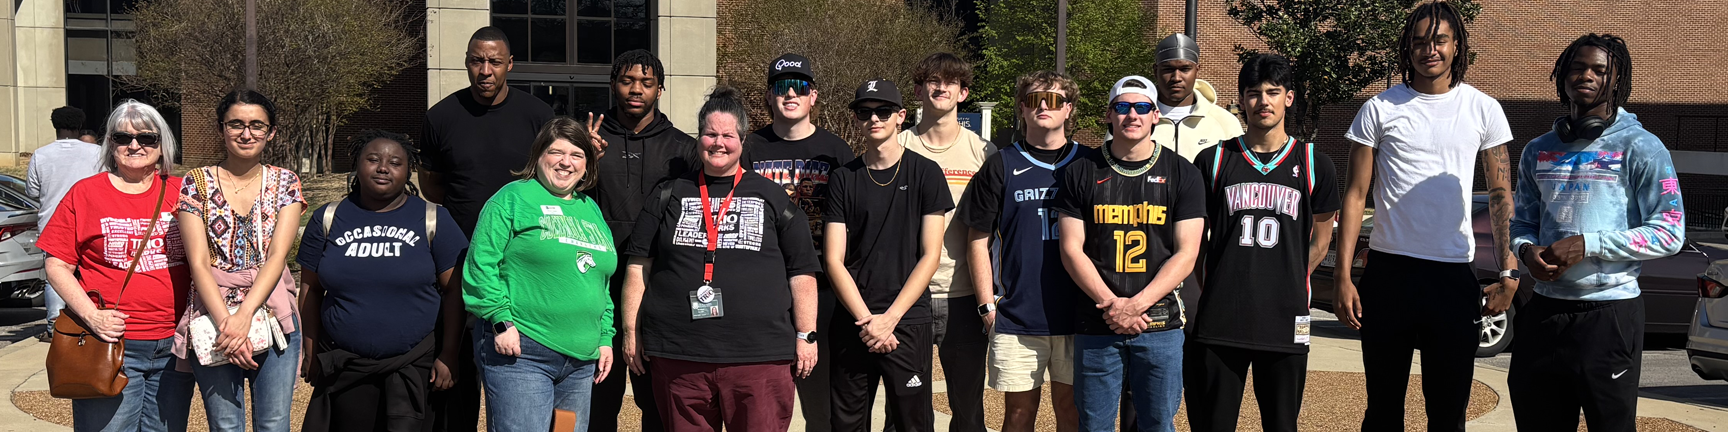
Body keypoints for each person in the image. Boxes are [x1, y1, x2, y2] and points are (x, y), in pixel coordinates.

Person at [1334, 2, 1519, 430]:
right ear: (1407, 48)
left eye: (1439, 40)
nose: (1428, 49)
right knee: (1382, 410)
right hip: (1388, 273)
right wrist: (1343, 278)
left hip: (1452, 277)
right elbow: (1356, 195)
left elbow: (1500, 194)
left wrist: (1510, 273)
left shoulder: (1482, 109)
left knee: (1448, 412)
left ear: (1457, 46)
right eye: (1419, 41)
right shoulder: (1379, 109)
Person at [1509, 34, 1686, 432]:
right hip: (1543, 314)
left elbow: (1670, 232)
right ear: (1562, 76)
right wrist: (1525, 251)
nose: (1585, 75)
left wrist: (1589, 244)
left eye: (1599, 70)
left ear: (1617, 80)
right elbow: (1520, 222)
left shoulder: (1642, 147)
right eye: (1577, 67)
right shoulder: (1538, 149)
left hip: (1609, 316)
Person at [619, 85, 822, 432]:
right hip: (680, 355)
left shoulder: (771, 196)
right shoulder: (670, 193)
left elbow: (802, 272)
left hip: (759, 359)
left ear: (742, 140)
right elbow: (639, 265)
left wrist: (807, 336)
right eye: (710, 134)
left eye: (727, 135)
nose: (718, 143)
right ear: (698, 138)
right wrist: (631, 331)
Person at [1185, 54, 1339, 432]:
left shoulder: (1314, 162)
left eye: (1273, 92)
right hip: (1222, 316)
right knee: (1213, 425)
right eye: (1254, 93)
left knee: (1282, 425)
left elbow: (1322, 237)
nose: (1263, 102)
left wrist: (1289, 278)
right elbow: (1193, 240)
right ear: (1241, 100)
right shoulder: (1214, 159)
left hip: (1287, 317)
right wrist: (1215, 281)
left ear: (1289, 97)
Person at [419, 27, 556, 432]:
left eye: (494, 61)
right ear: (466, 62)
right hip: (459, 256)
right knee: (456, 366)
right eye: (477, 60)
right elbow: (433, 186)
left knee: (517, 365)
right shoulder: (440, 117)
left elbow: (552, 177)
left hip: (524, 258)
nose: (485, 70)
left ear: (509, 64)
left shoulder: (537, 115)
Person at [1053, 76, 1204, 432]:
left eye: (1141, 107)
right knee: (1094, 425)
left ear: (1156, 116)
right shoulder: (1080, 171)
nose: (1131, 115)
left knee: (1158, 424)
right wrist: (1112, 305)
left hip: (1161, 323)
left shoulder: (1183, 173)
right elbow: (1071, 248)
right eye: (1122, 107)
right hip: (1097, 321)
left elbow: (1186, 253)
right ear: (1109, 115)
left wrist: (1136, 306)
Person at [297, 130, 470, 431]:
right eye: (373, 159)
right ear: (357, 165)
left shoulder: (433, 219)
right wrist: (310, 349)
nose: (383, 167)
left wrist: (449, 353)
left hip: (414, 367)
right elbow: (310, 290)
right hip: (346, 367)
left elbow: (455, 291)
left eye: (395, 162)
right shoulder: (327, 218)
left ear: (408, 171)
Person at [39, 100, 193, 432]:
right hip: (108, 343)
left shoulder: (184, 193)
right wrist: (90, 315)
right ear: (111, 144)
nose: (135, 145)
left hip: (175, 347)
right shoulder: (86, 193)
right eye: (123, 138)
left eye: (147, 138)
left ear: (161, 143)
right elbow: (56, 264)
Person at [464, 117, 616, 432]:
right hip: (522, 353)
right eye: (556, 152)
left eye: (577, 155)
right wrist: (500, 320)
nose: (566, 162)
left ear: (587, 166)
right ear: (538, 156)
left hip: (580, 361)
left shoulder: (591, 209)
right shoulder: (513, 198)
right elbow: (480, 265)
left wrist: (605, 338)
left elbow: (601, 283)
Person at [956, 70, 1085, 432]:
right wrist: (986, 305)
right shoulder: (1001, 164)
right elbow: (977, 240)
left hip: (1078, 312)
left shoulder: (1088, 163)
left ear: (1069, 110)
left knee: (1072, 411)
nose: (1043, 105)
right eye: (1033, 99)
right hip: (1017, 314)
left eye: (1055, 100)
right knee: (1017, 414)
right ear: (1021, 110)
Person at [174, 89, 307, 432]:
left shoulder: (285, 183)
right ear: (221, 129)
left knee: (274, 424)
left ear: (271, 132)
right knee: (225, 424)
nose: (246, 133)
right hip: (212, 316)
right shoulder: (196, 183)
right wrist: (227, 324)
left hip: (272, 314)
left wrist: (243, 317)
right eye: (236, 124)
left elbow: (277, 256)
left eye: (257, 125)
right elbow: (199, 264)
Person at [825, 78, 951, 432]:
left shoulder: (925, 173)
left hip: (907, 321)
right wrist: (869, 321)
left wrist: (890, 319)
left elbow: (931, 254)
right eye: (865, 112)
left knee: (912, 424)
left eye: (883, 111)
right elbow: (833, 259)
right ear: (856, 119)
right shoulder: (843, 178)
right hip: (855, 320)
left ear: (901, 116)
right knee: (847, 423)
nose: (874, 119)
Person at [743, 53, 856, 431]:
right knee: (758, 394)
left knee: (819, 397)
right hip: (762, 283)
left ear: (814, 96)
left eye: (800, 87)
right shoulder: (749, 149)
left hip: (822, 285)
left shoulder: (836, 152)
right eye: (781, 87)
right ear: (769, 97)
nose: (790, 94)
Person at [590, 49, 693, 432]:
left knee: (659, 404)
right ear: (613, 85)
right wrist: (585, 157)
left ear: (660, 90)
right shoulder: (590, 142)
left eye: (647, 83)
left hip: (659, 289)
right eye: (628, 81)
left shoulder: (683, 149)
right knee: (598, 400)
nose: (637, 90)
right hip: (597, 288)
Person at [893, 52, 994, 432]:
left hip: (964, 296)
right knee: (908, 412)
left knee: (968, 413)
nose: (941, 87)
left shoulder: (984, 154)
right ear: (919, 90)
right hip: (907, 298)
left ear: (963, 93)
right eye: (933, 80)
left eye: (951, 81)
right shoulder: (897, 146)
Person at [29, 106, 102, 340]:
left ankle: (54, 324)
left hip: (52, 221)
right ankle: (91, 318)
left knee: (56, 272)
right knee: (89, 272)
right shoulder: (96, 152)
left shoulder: (41, 154)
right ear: (80, 126)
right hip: (90, 220)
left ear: (55, 126)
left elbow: (32, 191)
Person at [1150, 33, 1244, 162]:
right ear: (1156, 71)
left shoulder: (1225, 123)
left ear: (1197, 70)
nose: (1176, 78)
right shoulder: (1134, 120)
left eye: (1185, 69)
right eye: (1168, 69)